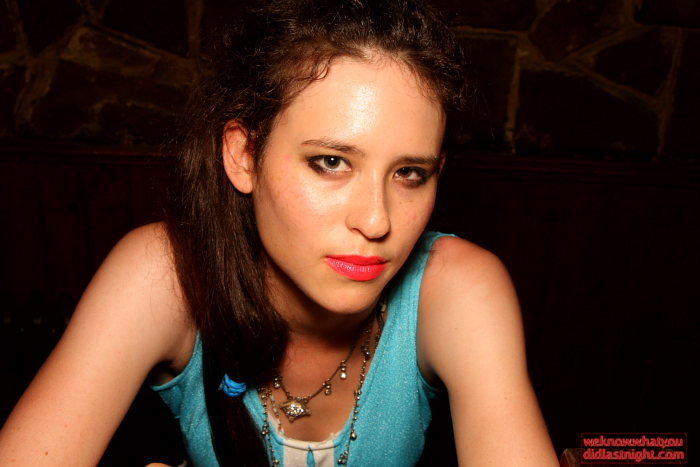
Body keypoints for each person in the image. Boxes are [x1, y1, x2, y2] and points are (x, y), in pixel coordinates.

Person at [0, 0, 559, 465]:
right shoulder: (164, 273)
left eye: (409, 173)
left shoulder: (458, 288)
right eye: (331, 162)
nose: (377, 221)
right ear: (243, 155)